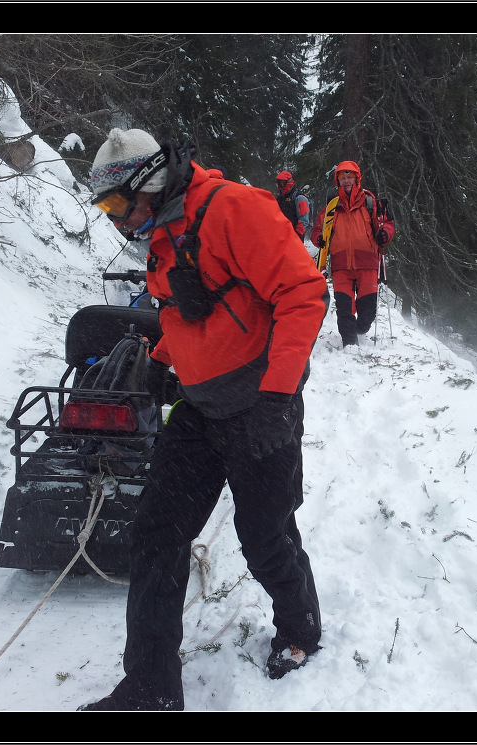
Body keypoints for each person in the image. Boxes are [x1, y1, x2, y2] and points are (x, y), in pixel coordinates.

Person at [81, 128, 329, 711]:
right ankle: (149, 687)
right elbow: (189, 312)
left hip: (259, 405)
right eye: (105, 209)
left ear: (152, 182)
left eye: (119, 204)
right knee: (157, 533)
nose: (116, 220)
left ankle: (299, 629)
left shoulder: (235, 210)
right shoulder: (160, 235)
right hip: (199, 408)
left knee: (264, 535)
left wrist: (275, 398)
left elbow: (303, 293)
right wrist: (164, 362)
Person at [310, 161, 394, 349]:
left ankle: (360, 331)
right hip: (341, 267)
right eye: (342, 178)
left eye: (349, 177)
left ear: (357, 179)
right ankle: (350, 345)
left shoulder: (369, 202)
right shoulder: (331, 207)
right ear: (337, 181)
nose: (346, 181)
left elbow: (387, 224)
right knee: (345, 310)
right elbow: (318, 229)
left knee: (367, 313)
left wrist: (385, 234)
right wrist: (318, 238)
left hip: (367, 263)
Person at [274, 170, 312, 242]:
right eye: (277, 184)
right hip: (280, 236)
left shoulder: (300, 198)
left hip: (294, 237)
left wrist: (296, 236)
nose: (279, 187)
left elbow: (304, 220)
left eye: (281, 184)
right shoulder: (280, 198)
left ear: (288, 183)